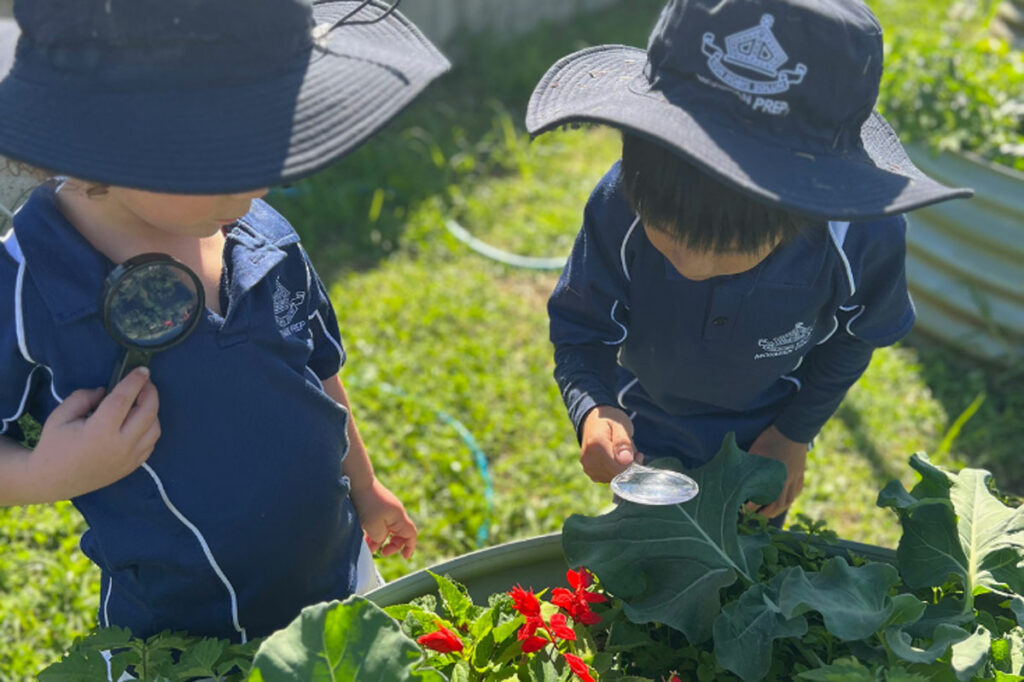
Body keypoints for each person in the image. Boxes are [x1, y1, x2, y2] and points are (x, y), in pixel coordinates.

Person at [0, 0, 449, 644]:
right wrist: (50, 474)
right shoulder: (29, 280)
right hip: (183, 639)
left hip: (339, 578)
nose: (261, 181)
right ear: (98, 135)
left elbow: (315, 377)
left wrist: (366, 483)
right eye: (226, 150)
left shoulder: (262, 236)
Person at [525, 0, 971, 521]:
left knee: (749, 557)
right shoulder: (619, 202)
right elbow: (581, 329)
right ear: (633, 156)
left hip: (768, 428)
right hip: (645, 417)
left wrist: (793, 433)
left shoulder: (860, 237)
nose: (690, 262)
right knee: (649, 553)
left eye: (729, 247)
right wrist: (595, 406)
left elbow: (858, 334)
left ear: (810, 205)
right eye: (667, 232)